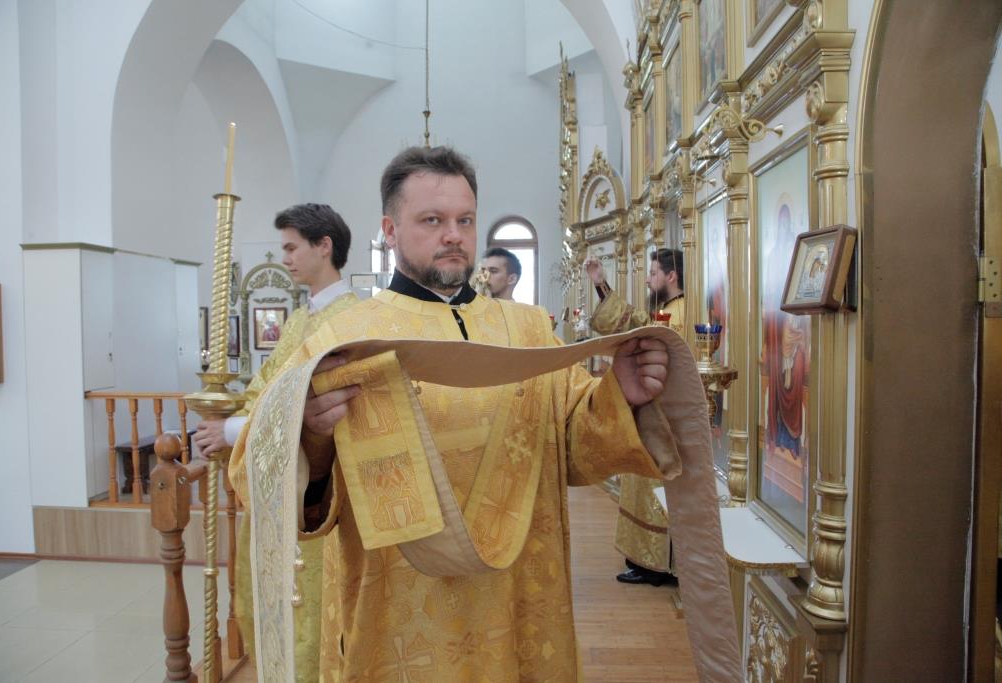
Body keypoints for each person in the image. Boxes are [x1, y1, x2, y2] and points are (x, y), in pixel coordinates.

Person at [229, 147, 736, 682]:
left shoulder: (528, 328)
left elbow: (572, 446)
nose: (454, 235)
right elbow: (261, 477)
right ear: (390, 230)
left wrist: (619, 395)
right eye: (432, 220)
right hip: (398, 615)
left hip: (522, 600)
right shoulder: (345, 337)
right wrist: (312, 435)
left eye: (465, 220)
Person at [192, 202, 356, 681]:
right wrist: (229, 420)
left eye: (291, 247)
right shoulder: (302, 318)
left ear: (324, 246)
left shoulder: (347, 321)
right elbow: (266, 390)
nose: (284, 258)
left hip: (319, 498)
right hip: (277, 492)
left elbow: (304, 407)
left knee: (314, 616)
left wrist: (229, 432)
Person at [585, 248, 685, 587]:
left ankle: (655, 565)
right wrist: (601, 286)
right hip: (653, 412)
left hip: (667, 420)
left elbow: (640, 329)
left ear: (671, 276)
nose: (647, 279)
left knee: (653, 485)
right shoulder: (666, 310)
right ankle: (645, 560)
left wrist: (603, 286)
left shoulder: (679, 313)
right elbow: (637, 324)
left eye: (653, 273)